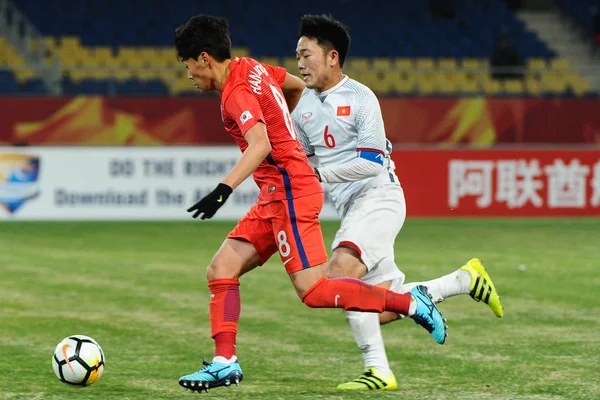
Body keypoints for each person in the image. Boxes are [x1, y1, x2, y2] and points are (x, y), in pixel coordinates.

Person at [173, 14, 447, 393]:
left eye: (185, 64)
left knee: (316, 292)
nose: (187, 73)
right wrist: (285, 128)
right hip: (274, 193)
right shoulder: (251, 68)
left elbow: (260, 144)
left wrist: (223, 189)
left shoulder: (235, 92)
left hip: (290, 191)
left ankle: (411, 303)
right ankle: (224, 363)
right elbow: (294, 85)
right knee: (222, 267)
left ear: (203, 58)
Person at [291, 14, 504, 391]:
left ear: (332, 57)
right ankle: (461, 281)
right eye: (297, 55)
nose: (299, 63)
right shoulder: (303, 107)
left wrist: (320, 176)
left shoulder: (361, 98)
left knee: (339, 276)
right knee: (382, 307)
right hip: (351, 209)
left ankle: (378, 371)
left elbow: (372, 161)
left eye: (306, 54)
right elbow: (305, 160)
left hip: (378, 197)